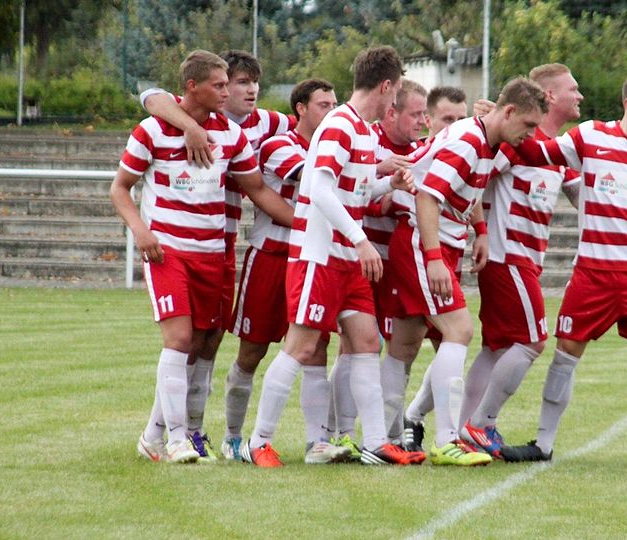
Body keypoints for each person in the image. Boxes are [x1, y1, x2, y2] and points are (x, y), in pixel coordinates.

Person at [506, 71, 627, 467]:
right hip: (592, 272)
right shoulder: (590, 136)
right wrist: (496, 129)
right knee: (566, 352)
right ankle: (543, 444)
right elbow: (536, 154)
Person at [239, 46, 423, 468]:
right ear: (386, 86)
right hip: (320, 256)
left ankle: (375, 444)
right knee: (301, 347)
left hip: (346, 260)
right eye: (395, 96)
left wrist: (388, 183)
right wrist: (360, 240)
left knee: (366, 341)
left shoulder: (360, 129)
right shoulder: (341, 126)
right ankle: (258, 441)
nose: (394, 106)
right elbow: (318, 190)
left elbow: (351, 193)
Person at [139, 50, 295, 460]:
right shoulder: (168, 118)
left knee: (208, 343)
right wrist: (190, 126)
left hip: (219, 248)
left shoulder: (263, 124)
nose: (246, 91)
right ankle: (174, 435)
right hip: (180, 243)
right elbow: (152, 96)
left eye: (248, 83)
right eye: (236, 83)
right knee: (183, 341)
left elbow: (264, 180)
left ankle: (181, 434)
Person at [389, 77, 549, 466]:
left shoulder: (485, 140)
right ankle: (446, 439)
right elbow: (428, 196)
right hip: (421, 240)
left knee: (404, 344)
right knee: (458, 331)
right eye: (528, 125)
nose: (530, 135)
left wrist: (479, 230)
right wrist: (432, 257)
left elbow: (467, 190)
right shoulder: (467, 141)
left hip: (438, 241)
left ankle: (384, 437)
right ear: (508, 112)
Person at [111, 50, 256, 463]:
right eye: (220, 84)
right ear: (192, 86)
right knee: (178, 341)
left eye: (232, 84)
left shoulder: (232, 134)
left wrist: (303, 222)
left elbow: (257, 188)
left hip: (213, 254)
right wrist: (142, 232)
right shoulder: (152, 131)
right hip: (167, 251)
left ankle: (152, 437)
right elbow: (119, 188)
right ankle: (177, 440)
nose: (229, 92)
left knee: (200, 347)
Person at [455, 64, 583, 458]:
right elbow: (475, 179)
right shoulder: (515, 142)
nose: (580, 96)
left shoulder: (555, 150)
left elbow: (587, 202)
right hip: (507, 256)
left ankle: (460, 429)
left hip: (522, 259)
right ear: (550, 97)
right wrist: (479, 233)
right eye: (572, 89)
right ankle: (481, 423)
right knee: (531, 342)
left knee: (496, 346)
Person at [221, 78, 341, 464]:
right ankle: (233, 437)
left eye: (336, 105)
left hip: (311, 258)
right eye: (324, 105)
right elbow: (314, 180)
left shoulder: (336, 148)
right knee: (251, 352)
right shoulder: (279, 144)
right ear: (301, 109)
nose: (332, 113)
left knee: (316, 347)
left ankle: (316, 442)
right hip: (271, 257)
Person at [328, 78, 429, 455]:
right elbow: (352, 197)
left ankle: (388, 431)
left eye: (424, 113)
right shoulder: (366, 140)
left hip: (398, 264)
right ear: (392, 111)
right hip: (361, 258)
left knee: (396, 345)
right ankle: (337, 432)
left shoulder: (420, 150)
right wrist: (389, 188)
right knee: (352, 346)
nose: (422, 121)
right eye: (415, 113)